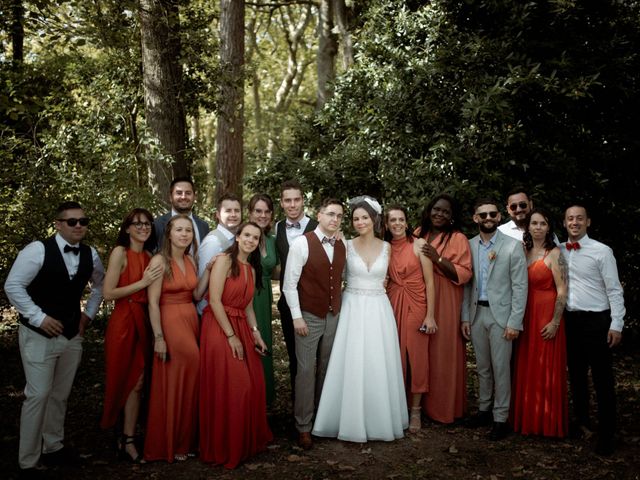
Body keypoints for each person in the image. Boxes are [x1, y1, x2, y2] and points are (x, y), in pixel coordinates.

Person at [4, 201, 105, 476]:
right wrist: (38, 317)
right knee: (38, 395)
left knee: (60, 395)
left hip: (72, 335)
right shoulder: (37, 250)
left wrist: (89, 316)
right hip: (38, 335)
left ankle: (54, 449)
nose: (78, 226)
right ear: (58, 224)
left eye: (83, 221)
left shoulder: (91, 254)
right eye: (71, 221)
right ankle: (27, 461)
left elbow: (100, 285)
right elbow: (13, 285)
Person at [312, 198, 408, 442]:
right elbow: (327, 269)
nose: (360, 222)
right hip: (352, 307)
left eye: (365, 217)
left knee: (377, 361)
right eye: (355, 218)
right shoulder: (344, 244)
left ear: (374, 219)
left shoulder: (388, 247)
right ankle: (345, 419)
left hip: (378, 309)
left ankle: (380, 419)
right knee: (351, 360)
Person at [197, 222, 273, 468]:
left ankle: (242, 444)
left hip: (241, 324)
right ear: (237, 237)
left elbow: (248, 305)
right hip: (219, 326)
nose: (251, 240)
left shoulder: (250, 269)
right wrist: (231, 336)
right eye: (247, 235)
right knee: (235, 386)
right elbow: (216, 301)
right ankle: (223, 446)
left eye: (255, 237)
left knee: (254, 384)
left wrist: (256, 333)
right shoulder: (224, 261)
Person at [560, 205, 625, 455]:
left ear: (588, 222)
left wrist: (616, 324)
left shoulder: (602, 251)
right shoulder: (559, 251)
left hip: (597, 321)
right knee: (576, 375)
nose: (574, 222)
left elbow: (614, 290)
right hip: (570, 321)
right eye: (570, 219)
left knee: (602, 379)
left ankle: (607, 433)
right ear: (564, 223)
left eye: (579, 218)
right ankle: (582, 422)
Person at [461, 198, 527, 441]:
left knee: (501, 369)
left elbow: (520, 287)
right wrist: (465, 317)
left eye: (492, 214)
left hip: (502, 317)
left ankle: (501, 418)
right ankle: (484, 409)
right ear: (475, 219)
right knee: (482, 368)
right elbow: (467, 286)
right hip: (477, 314)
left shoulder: (512, 246)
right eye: (483, 215)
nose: (488, 218)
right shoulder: (468, 245)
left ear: (499, 217)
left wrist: (514, 322)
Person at [282, 198, 346, 450]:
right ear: (318, 215)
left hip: (333, 315)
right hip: (308, 315)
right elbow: (289, 284)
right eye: (331, 214)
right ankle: (303, 426)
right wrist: (297, 316)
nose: (335, 219)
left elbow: (345, 279)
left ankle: (323, 417)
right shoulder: (301, 243)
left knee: (328, 368)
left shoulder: (342, 245)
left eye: (339, 216)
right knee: (306, 371)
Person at [100, 208, 163, 462]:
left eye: (147, 224)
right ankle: (113, 430)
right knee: (119, 378)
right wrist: (143, 282)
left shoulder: (150, 256)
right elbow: (108, 293)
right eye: (136, 224)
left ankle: (128, 438)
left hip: (143, 322)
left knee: (138, 382)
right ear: (127, 228)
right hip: (123, 321)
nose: (143, 227)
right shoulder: (119, 253)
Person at [143, 215, 200, 463]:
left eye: (188, 230)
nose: (185, 234)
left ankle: (183, 442)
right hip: (170, 320)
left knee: (190, 379)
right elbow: (153, 303)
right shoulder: (159, 260)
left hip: (190, 319)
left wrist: (209, 270)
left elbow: (196, 293)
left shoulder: (190, 259)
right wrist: (159, 337)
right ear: (168, 234)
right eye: (179, 230)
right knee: (179, 376)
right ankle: (167, 441)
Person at [511, 209, 568, 438]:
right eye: (533, 223)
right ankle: (526, 420)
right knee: (525, 364)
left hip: (546, 314)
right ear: (528, 227)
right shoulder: (522, 252)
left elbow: (563, 290)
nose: (537, 227)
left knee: (545, 366)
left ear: (548, 227)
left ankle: (547, 424)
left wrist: (555, 321)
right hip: (524, 313)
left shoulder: (555, 254)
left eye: (542, 223)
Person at [417, 194, 473, 424]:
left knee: (443, 352)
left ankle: (442, 409)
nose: (440, 214)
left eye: (446, 212)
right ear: (429, 210)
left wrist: (438, 259)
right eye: (436, 209)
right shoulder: (418, 232)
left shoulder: (458, 238)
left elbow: (464, 273)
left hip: (446, 299)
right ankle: (417, 406)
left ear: (452, 217)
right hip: (419, 297)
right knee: (421, 352)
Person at [385, 205, 436, 433]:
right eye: (392, 220)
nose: (397, 223)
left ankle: (415, 410)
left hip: (416, 305)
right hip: (391, 303)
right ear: (386, 225)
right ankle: (396, 407)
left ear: (407, 222)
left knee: (416, 357)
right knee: (393, 356)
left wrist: (431, 315)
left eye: (401, 219)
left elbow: (430, 282)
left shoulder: (419, 245)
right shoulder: (384, 248)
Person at [274, 180, 318, 401]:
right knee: (293, 354)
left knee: (315, 356)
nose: (292, 204)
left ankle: (317, 406)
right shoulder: (276, 228)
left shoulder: (318, 227)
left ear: (303, 200)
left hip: (313, 302)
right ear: (281, 203)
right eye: (287, 200)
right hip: (286, 303)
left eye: (296, 199)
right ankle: (298, 406)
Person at [248, 194, 279, 405]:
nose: (263, 215)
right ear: (250, 213)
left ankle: (262, 403)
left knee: (264, 345)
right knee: (251, 344)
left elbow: (275, 270)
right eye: (258, 211)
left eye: (267, 211)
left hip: (265, 295)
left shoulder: (270, 239)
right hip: (248, 297)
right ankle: (249, 403)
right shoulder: (245, 236)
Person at [197, 193, 242, 313]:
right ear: (217, 214)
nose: (233, 214)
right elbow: (202, 282)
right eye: (228, 211)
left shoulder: (237, 238)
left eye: (237, 211)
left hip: (229, 309)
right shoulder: (213, 242)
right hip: (211, 311)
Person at [154, 176, 210, 251]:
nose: (183, 197)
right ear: (170, 197)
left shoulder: (203, 226)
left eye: (188, 193)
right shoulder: (157, 225)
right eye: (179, 193)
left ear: (194, 197)